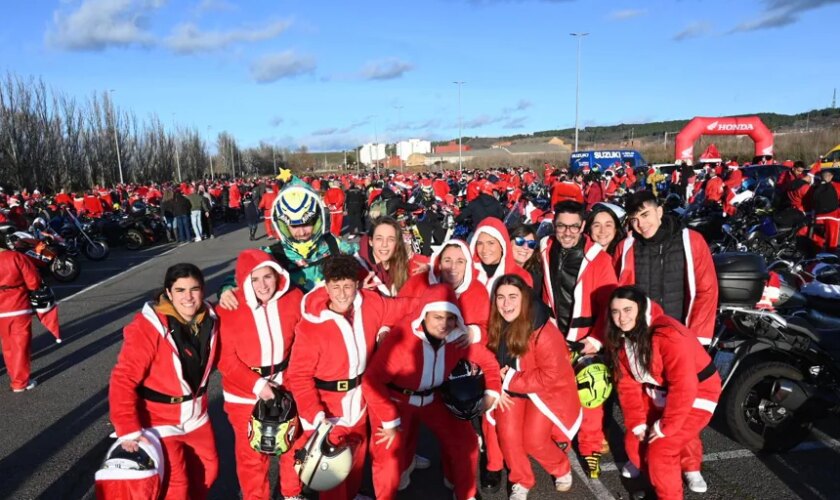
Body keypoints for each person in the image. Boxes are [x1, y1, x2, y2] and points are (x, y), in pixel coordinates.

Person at [284, 254, 419, 500]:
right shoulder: (310, 326)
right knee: (332, 475)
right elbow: (298, 375)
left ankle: (353, 494)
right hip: (329, 409)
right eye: (335, 287)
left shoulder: (370, 303)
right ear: (326, 287)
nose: (342, 293)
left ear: (356, 284)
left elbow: (403, 307)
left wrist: (440, 300)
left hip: (361, 401)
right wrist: (315, 416)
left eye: (347, 286)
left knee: (356, 461)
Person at [364, 284, 501, 500]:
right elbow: (371, 380)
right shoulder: (402, 339)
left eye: (450, 318)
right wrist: (389, 421)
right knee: (388, 456)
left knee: (467, 442)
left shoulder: (457, 339)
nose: (444, 324)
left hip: (433, 398)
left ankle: (465, 493)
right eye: (438, 317)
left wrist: (492, 392)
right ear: (424, 314)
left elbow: (489, 363)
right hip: (396, 399)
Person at [108, 263, 219, 499]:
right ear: (168, 292)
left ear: (203, 290)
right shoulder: (147, 326)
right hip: (158, 419)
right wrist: (127, 428)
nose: (188, 297)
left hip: (196, 416)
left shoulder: (210, 317)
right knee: (176, 485)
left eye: (194, 289)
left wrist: (229, 287)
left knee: (209, 471)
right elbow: (123, 378)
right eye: (180, 290)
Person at [605, 286, 721, 500]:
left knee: (662, 447)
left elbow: (684, 386)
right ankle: (658, 481)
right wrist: (637, 421)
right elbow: (627, 383)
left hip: (699, 390)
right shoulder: (622, 337)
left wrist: (667, 425)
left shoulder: (668, 334)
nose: (621, 318)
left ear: (641, 308)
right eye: (615, 311)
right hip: (658, 389)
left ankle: (682, 477)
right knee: (634, 440)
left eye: (627, 310)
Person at [216, 249, 305, 500]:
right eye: (255, 279)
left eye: (268, 276)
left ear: (277, 275)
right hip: (244, 393)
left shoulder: (294, 298)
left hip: (286, 385)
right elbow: (225, 360)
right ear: (244, 280)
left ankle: (292, 492)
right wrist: (257, 386)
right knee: (252, 454)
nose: (263, 285)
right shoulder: (229, 307)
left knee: (292, 443)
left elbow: (304, 340)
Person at [538, 200, 617, 477]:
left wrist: (595, 340)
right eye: (561, 226)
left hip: (586, 341)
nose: (567, 232)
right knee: (556, 393)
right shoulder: (545, 248)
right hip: (554, 338)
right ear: (554, 226)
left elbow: (611, 307)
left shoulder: (599, 259)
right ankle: (561, 436)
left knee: (591, 398)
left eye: (574, 226)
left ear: (583, 226)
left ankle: (591, 450)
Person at [489, 274, 582, 499]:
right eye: (500, 297)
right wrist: (495, 384)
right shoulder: (495, 322)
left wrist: (510, 379)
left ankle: (560, 466)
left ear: (525, 299)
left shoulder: (545, 331)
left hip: (543, 392)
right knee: (508, 437)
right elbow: (487, 357)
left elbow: (551, 376)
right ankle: (522, 479)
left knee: (533, 440)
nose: (506, 303)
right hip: (510, 389)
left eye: (513, 296)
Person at [218, 182, 358, 307]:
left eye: (307, 224)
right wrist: (226, 290)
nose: (302, 232)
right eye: (295, 226)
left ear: (316, 221)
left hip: (331, 317)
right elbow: (241, 273)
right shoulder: (274, 253)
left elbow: (361, 255)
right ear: (284, 226)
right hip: (294, 322)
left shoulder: (333, 243)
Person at [614, 191, 719, 346]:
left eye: (645, 215)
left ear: (659, 211)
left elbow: (706, 290)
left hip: (679, 335)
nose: (641, 225)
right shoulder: (626, 247)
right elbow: (618, 293)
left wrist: (696, 339)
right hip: (640, 337)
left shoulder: (691, 240)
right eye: (634, 220)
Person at [0, 233, 42, 392]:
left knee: (8, 345)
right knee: (20, 345)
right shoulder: (15, 257)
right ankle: (20, 382)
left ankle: (15, 376)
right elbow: (33, 282)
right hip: (18, 306)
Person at [355, 216, 427, 297]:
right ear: (371, 241)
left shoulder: (407, 260)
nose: (384, 244)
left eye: (390, 239)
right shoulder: (357, 269)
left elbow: (440, 263)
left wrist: (432, 271)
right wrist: (354, 292)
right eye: (379, 239)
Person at [469, 217, 533, 297]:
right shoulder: (466, 272)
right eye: (480, 243)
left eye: (491, 243)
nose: (484, 249)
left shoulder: (521, 277)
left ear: (502, 245)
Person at [509, 224, 544, 301]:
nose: (525, 247)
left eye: (531, 244)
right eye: (520, 241)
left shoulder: (536, 277)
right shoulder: (497, 271)